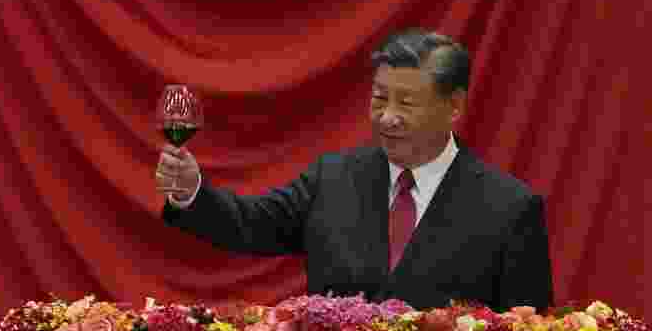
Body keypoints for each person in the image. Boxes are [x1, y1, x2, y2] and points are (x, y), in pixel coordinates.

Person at [156, 28, 554, 312]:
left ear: (454, 106)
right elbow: (248, 224)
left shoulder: (509, 210)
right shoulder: (333, 178)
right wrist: (191, 191)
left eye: (407, 103)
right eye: (380, 98)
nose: (388, 117)